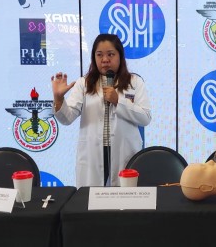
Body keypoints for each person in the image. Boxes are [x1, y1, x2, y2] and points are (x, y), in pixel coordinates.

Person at [51, 34, 151, 188]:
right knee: (92, 204)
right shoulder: (83, 83)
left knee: (124, 203)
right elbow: (67, 118)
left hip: (124, 152)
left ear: (120, 56)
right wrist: (58, 99)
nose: (105, 60)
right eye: (99, 55)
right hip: (92, 154)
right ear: (94, 58)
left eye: (110, 54)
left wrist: (119, 101)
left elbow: (145, 117)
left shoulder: (135, 82)